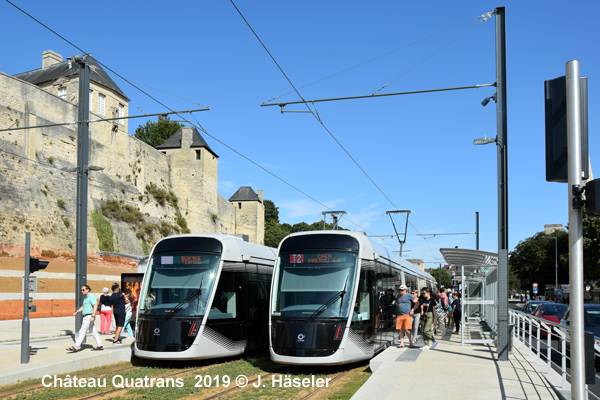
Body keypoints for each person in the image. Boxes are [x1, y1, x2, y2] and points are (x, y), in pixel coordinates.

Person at [66, 285, 104, 352]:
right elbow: (83, 306)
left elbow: (95, 306)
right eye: (81, 290)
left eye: (83, 290)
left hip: (89, 317)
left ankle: (76, 346)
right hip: (86, 316)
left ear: (88, 290)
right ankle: (100, 345)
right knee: (93, 331)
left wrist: (92, 316)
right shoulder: (85, 297)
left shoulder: (91, 297)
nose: (82, 291)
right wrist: (77, 312)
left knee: (82, 331)